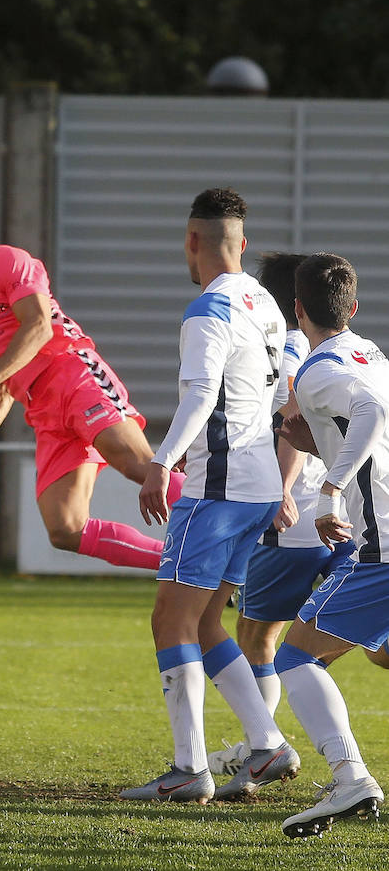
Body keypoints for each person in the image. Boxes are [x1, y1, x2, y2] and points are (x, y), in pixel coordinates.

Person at [0, 192, 182, 570]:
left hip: (73, 375)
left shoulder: (5, 260)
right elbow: (1, 391)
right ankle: (188, 566)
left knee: (135, 464)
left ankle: (254, 529)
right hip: (43, 410)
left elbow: (40, 326)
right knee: (64, 528)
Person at [122, 187, 299, 804]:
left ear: (191, 241)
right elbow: (284, 401)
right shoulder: (267, 305)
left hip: (216, 489)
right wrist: (284, 481)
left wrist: (159, 463)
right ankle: (268, 743)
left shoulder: (207, 310)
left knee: (170, 619)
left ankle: (188, 768)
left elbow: (200, 396)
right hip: (256, 489)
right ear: (243, 244)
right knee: (202, 622)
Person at [206, 252, 370, 779]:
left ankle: (267, 746)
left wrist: (289, 489)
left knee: (265, 642)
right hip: (348, 523)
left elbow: (297, 420)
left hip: (298, 519)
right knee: (364, 647)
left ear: (288, 306)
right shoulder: (357, 351)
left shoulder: (295, 354)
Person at [269, 252, 386, 837]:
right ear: (355, 308)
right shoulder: (373, 354)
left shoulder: (317, 371)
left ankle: (350, 779)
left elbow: (372, 411)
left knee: (294, 654)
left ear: (296, 310)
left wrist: (332, 488)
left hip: (382, 544)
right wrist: (318, 451)